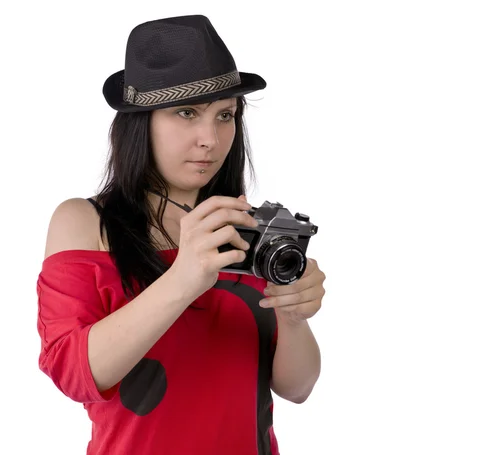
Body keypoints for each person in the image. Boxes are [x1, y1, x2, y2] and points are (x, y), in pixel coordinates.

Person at [36, 14, 326, 455]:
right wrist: (182, 277)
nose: (210, 138)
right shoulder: (85, 222)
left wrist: (293, 316)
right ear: (140, 122)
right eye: (186, 112)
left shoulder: (248, 227)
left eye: (225, 115)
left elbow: (298, 388)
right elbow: (74, 375)